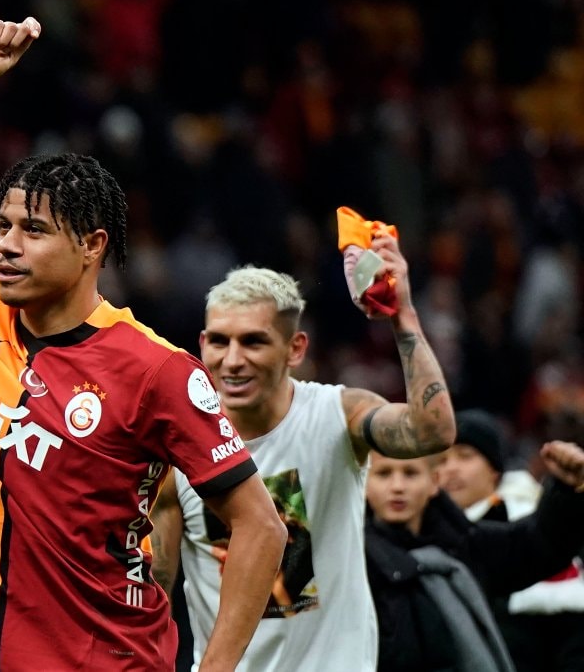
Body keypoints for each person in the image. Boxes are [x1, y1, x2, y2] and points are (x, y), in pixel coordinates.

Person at [0, 16, 286, 672]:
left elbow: (261, 525)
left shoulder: (155, 369)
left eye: (35, 230)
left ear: (91, 246)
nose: (8, 245)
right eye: (4, 225)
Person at [151, 263, 456, 671]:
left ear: (295, 348)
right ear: (202, 343)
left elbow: (433, 431)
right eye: (220, 341)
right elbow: (154, 593)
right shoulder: (178, 448)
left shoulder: (338, 416)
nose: (233, 360)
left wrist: (402, 315)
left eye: (254, 342)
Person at [365, 442, 584, 672]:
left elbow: (537, 545)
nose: (397, 486)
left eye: (411, 473)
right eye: (383, 473)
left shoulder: (465, 545)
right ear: (364, 482)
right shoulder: (352, 560)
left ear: (434, 481)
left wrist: (568, 489)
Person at [436, 409, 584, 672]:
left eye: (465, 456)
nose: (450, 468)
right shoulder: (420, 536)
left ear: (495, 470)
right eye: (441, 459)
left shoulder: (528, 526)